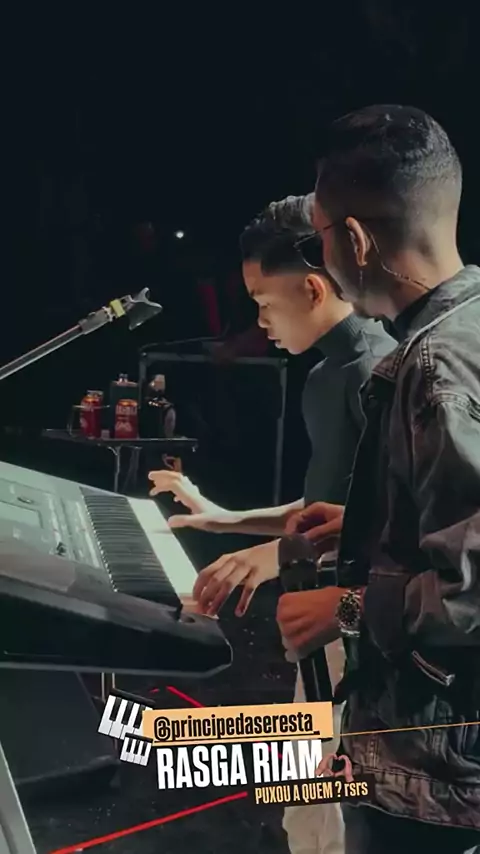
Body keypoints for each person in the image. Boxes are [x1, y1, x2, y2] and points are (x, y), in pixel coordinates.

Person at [149, 193, 395, 854]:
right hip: (324, 624)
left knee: (333, 814)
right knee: (303, 805)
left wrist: (275, 554)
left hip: (362, 626)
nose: (258, 322)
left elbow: (391, 526)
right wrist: (225, 519)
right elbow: (323, 507)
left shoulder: (377, 372)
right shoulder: (328, 373)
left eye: (263, 302)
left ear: (312, 288)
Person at [277, 105, 480, 853]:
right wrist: (367, 525)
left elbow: (471, 592)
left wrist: (346, 608)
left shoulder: (435, 368)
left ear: (354, 240)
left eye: (318, 241)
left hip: (436, 774)